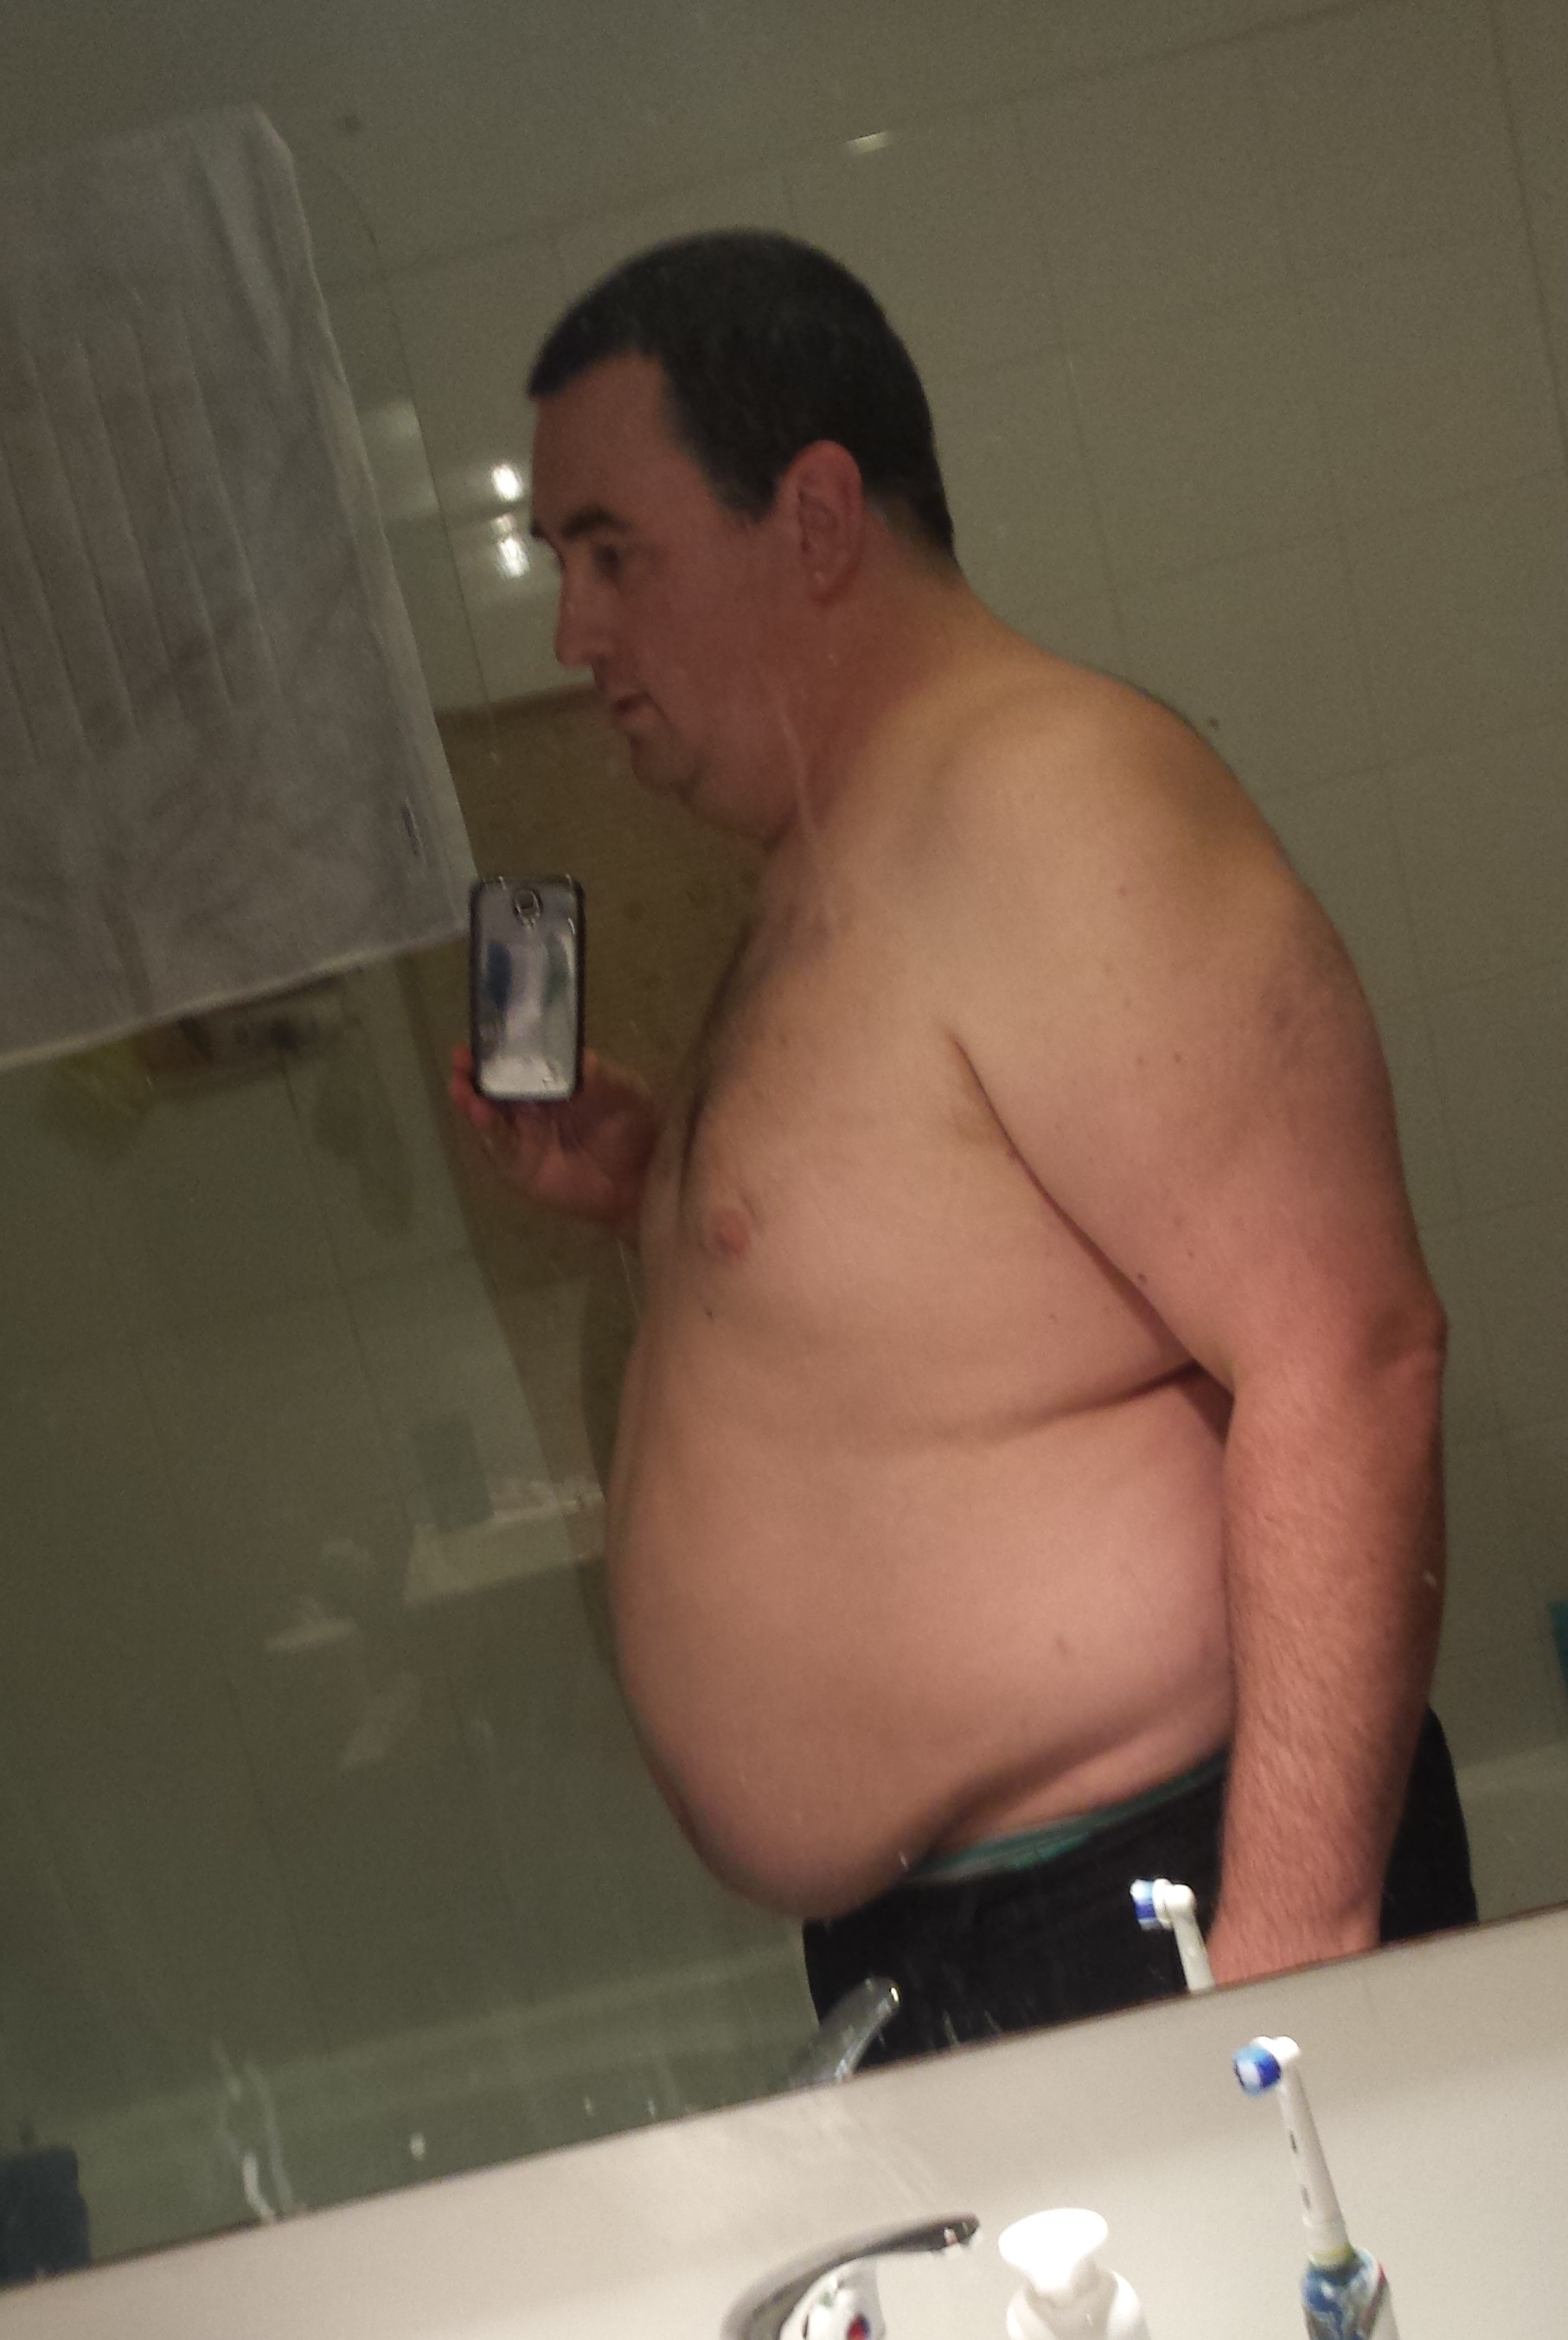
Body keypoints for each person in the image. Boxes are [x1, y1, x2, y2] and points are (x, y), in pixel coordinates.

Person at [451, 232, 1475, 2065]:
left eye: (612, 555)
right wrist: (656, 1192)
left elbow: (1349, 1349)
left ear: (813, 517)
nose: (572, 634)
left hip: (1163, 1898)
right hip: (975, 1933)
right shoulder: (841, 850)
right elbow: (945, 1291)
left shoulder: (1040, 802)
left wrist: (1289, 1970)